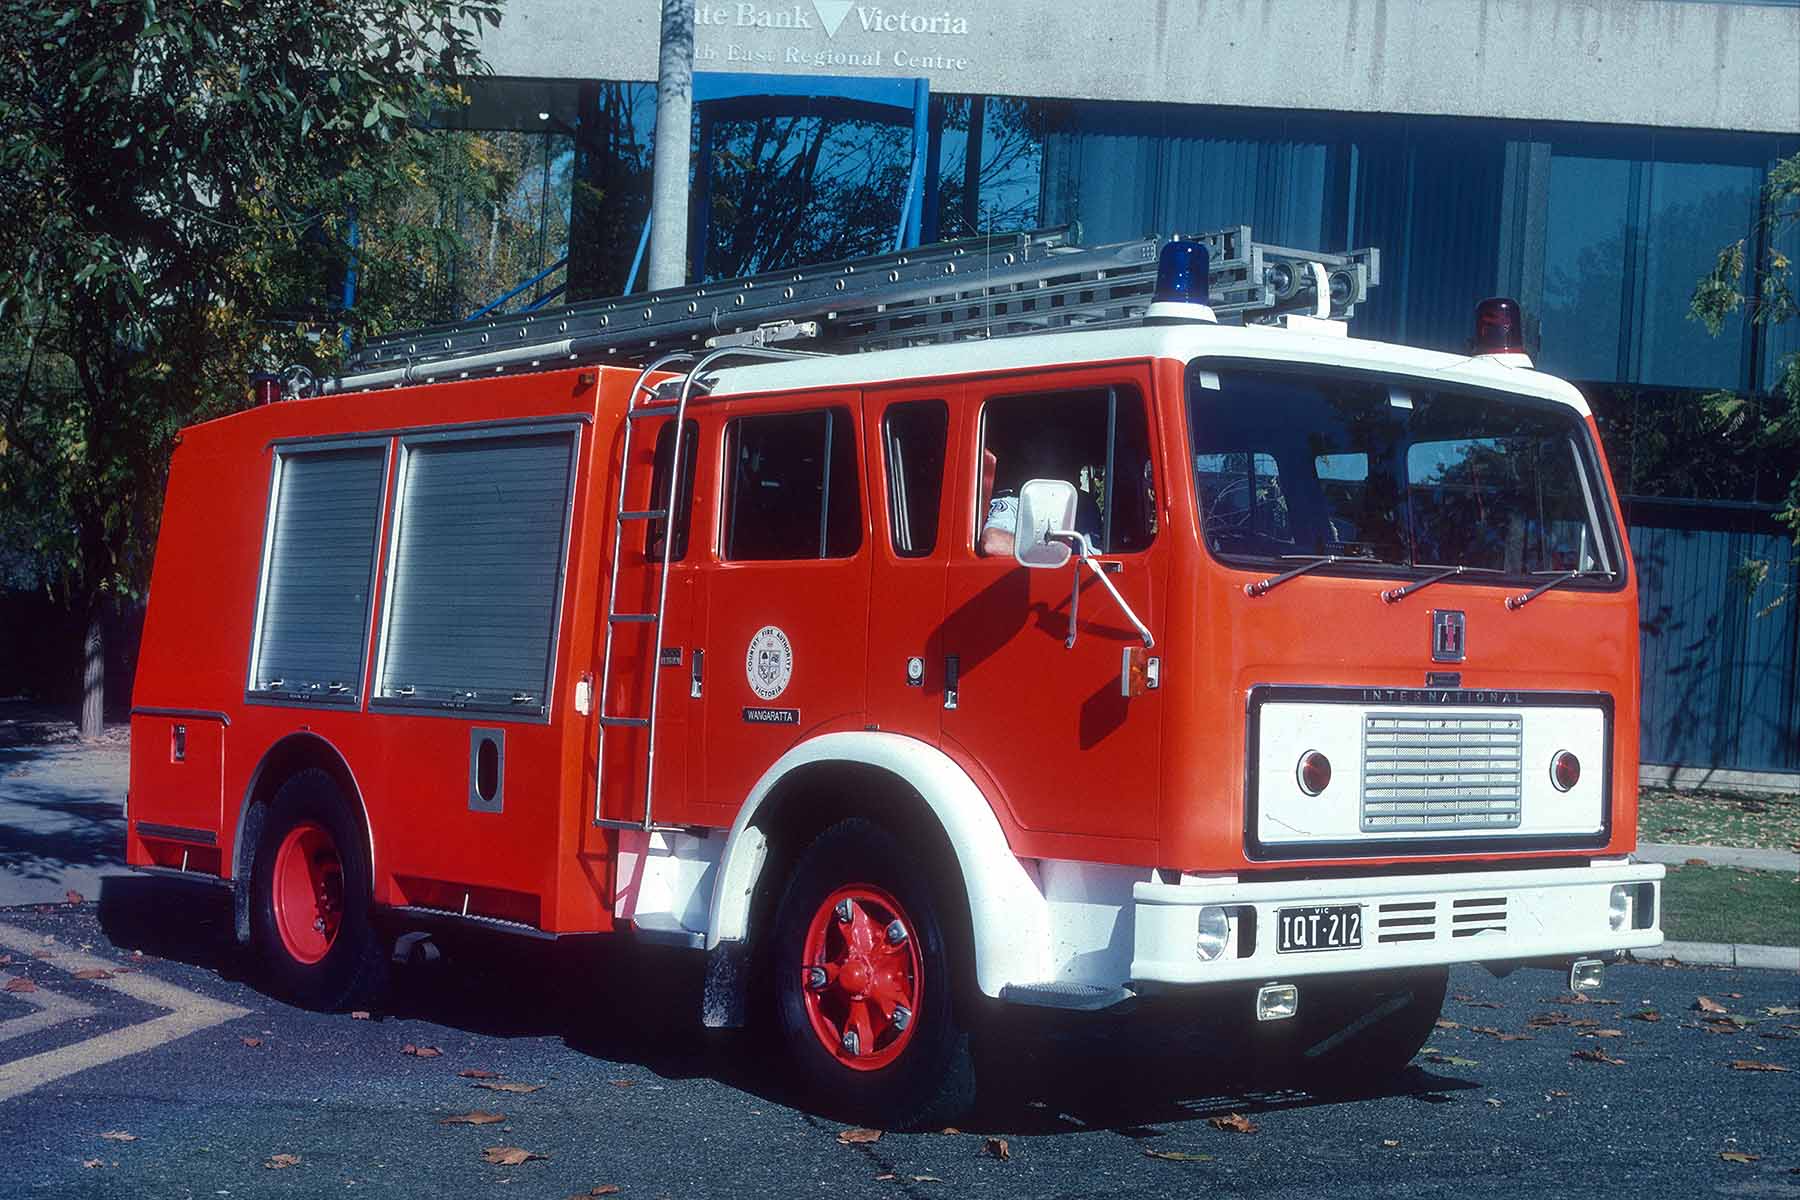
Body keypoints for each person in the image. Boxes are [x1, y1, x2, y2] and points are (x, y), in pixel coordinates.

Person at [978, 428, 1104, 557]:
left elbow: (1093, 555)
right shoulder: (1015, 498)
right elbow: (992, 543)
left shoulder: (1084, 504)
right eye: (1059, 455)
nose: (1069, 467)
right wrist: (1048, 552)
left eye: (1072, 458)